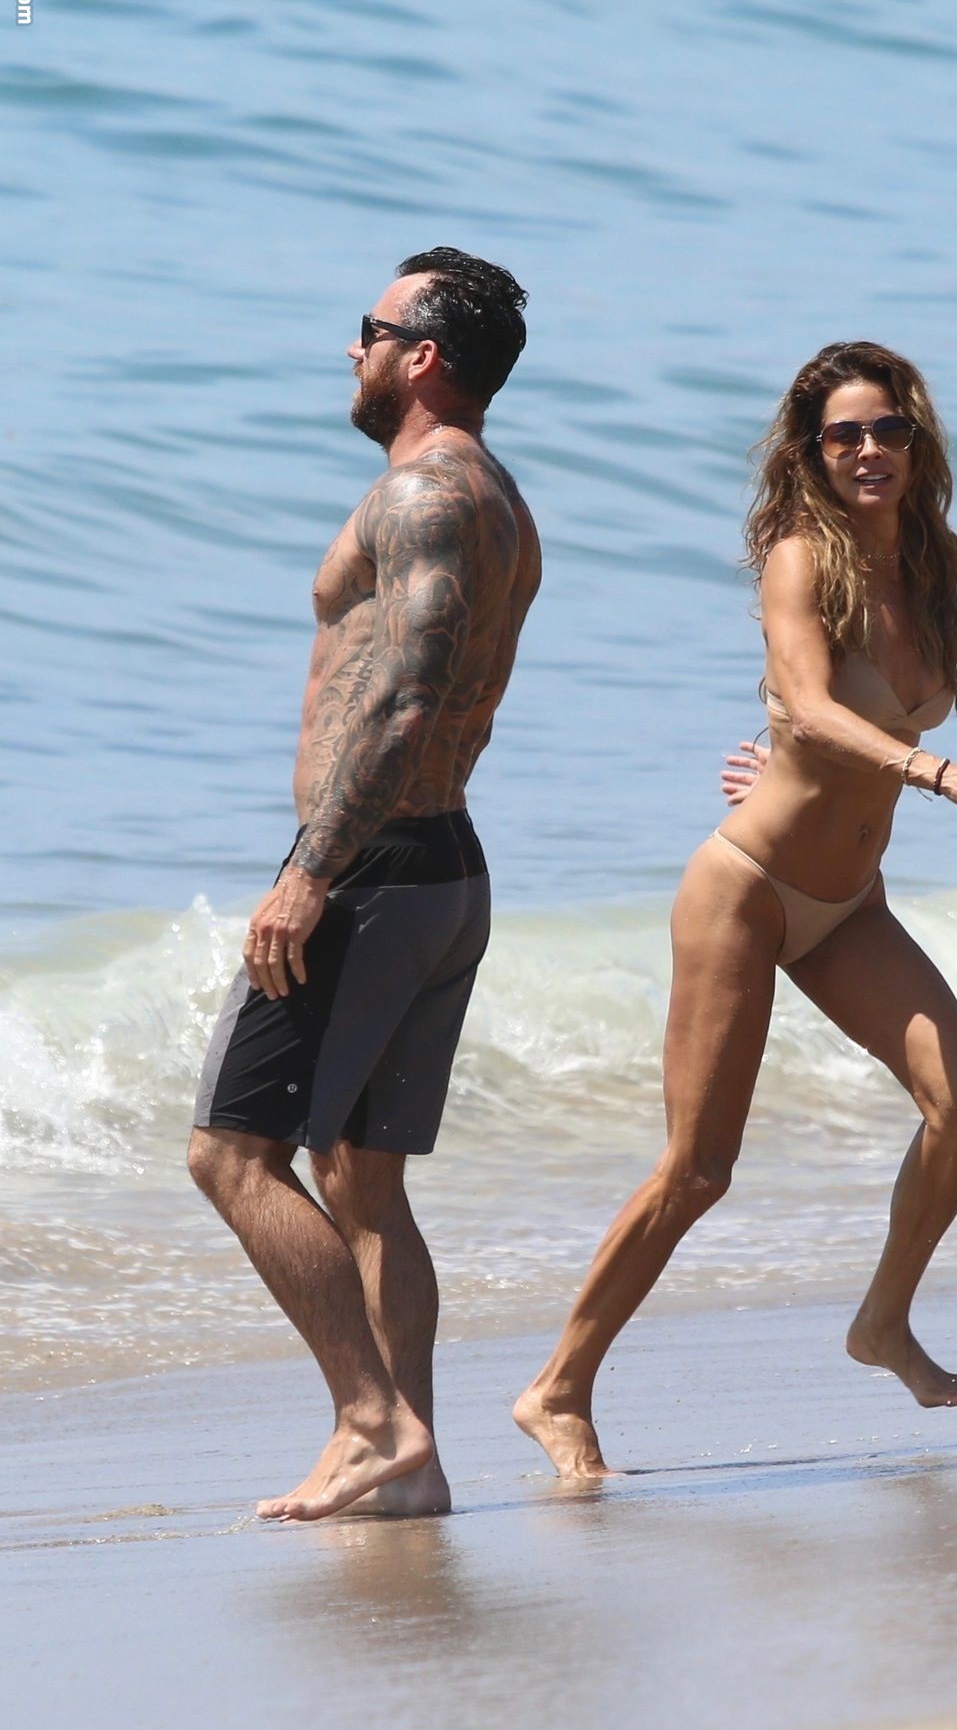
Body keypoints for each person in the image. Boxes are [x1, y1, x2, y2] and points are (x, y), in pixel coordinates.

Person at [515, 340, 957, 1479]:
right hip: (748, 894)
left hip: (849, 904)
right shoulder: (800, 558)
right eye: (844, 435)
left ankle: (882, 1324)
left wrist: (789, 750)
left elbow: (825, 719)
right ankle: (556, 1390)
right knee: (698, 1170)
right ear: (812, 454)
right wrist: (937, 773)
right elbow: (809, 702)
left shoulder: (932, 565)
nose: (868, 450)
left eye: (887, 429)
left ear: (917, 443)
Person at [188, 248, 541, 1522]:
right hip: (441, 864)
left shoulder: (424, 498)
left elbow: (406, 700)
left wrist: (307, 873)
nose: (354, 349)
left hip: (374, 866)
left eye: (371, 329)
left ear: (421, 356)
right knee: (360, 1174)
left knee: (231, 1158)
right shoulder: (491, 496)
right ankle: (413, 1469)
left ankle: (370, 1420)